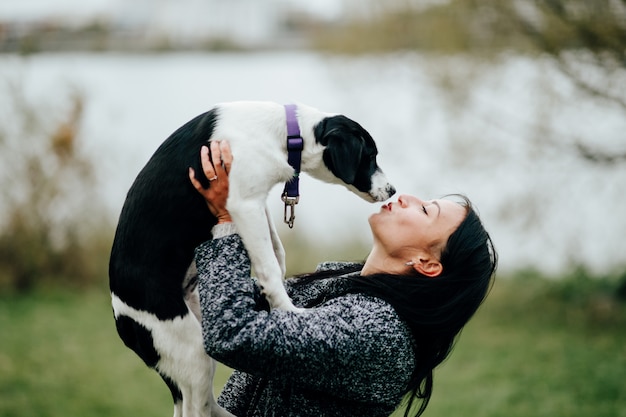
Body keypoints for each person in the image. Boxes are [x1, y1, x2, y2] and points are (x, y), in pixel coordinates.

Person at [188, 141, 497, 417]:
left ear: (427, 264)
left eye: (426, 210)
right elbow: (234, 312)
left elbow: (234, 334)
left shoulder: (378, 332)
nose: (408, 198)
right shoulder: (344, 282)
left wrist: (228, 222)